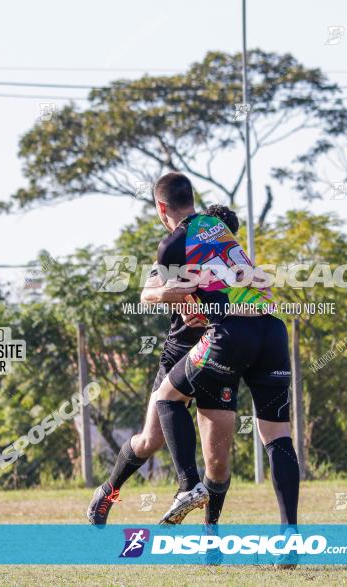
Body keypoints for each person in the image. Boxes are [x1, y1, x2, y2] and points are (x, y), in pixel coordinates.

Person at [147, 172, 300, 529]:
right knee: (278, 437)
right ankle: (289, 534)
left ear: (161, 206)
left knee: (167, 398)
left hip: (231, 332)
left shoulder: (173, 242)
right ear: (192, 199)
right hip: (272, 329)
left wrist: (154, 293)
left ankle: (188, 485)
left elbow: (169, 292)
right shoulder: (218, 227)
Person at [86, 203, 241, 527]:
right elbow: (149, 290)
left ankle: (210, 535)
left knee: (218, 462)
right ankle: (108, 491)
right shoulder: (181, 252)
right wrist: (177, 294)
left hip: (218, 358)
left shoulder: (236, 267)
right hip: (178, 355)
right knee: (148, 441)